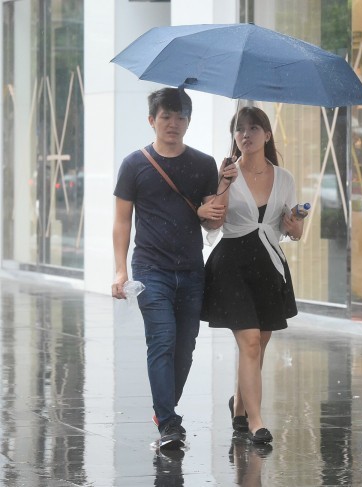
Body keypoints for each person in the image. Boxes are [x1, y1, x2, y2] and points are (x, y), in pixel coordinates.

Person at [111, 87, 237, 448]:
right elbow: (122, 221)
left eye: (181, 116)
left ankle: (165, 408)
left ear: (189, 121)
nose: (174, 123)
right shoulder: (134, 164)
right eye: (166, 116)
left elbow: (212, 223)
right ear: (152, 120)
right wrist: (121, 271)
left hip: (192, 268)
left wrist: (224, 184)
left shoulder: (202, 164)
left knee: (185, 348)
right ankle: (168, 422)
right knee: (162, 341)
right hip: (151, 268)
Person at [201, 106, 304, 444]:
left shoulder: (284, 178)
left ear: (267, 134)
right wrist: (224, 184)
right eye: (240, 129)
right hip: (231, 265)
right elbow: (213, 222)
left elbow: (293, 231)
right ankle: (256, 421)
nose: (246, 134)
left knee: (259, 343)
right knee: (248, 341)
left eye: (254, 128)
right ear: (234, 137)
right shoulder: (226, 174)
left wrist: (294, 226)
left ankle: (240, 404)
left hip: (269, 267)